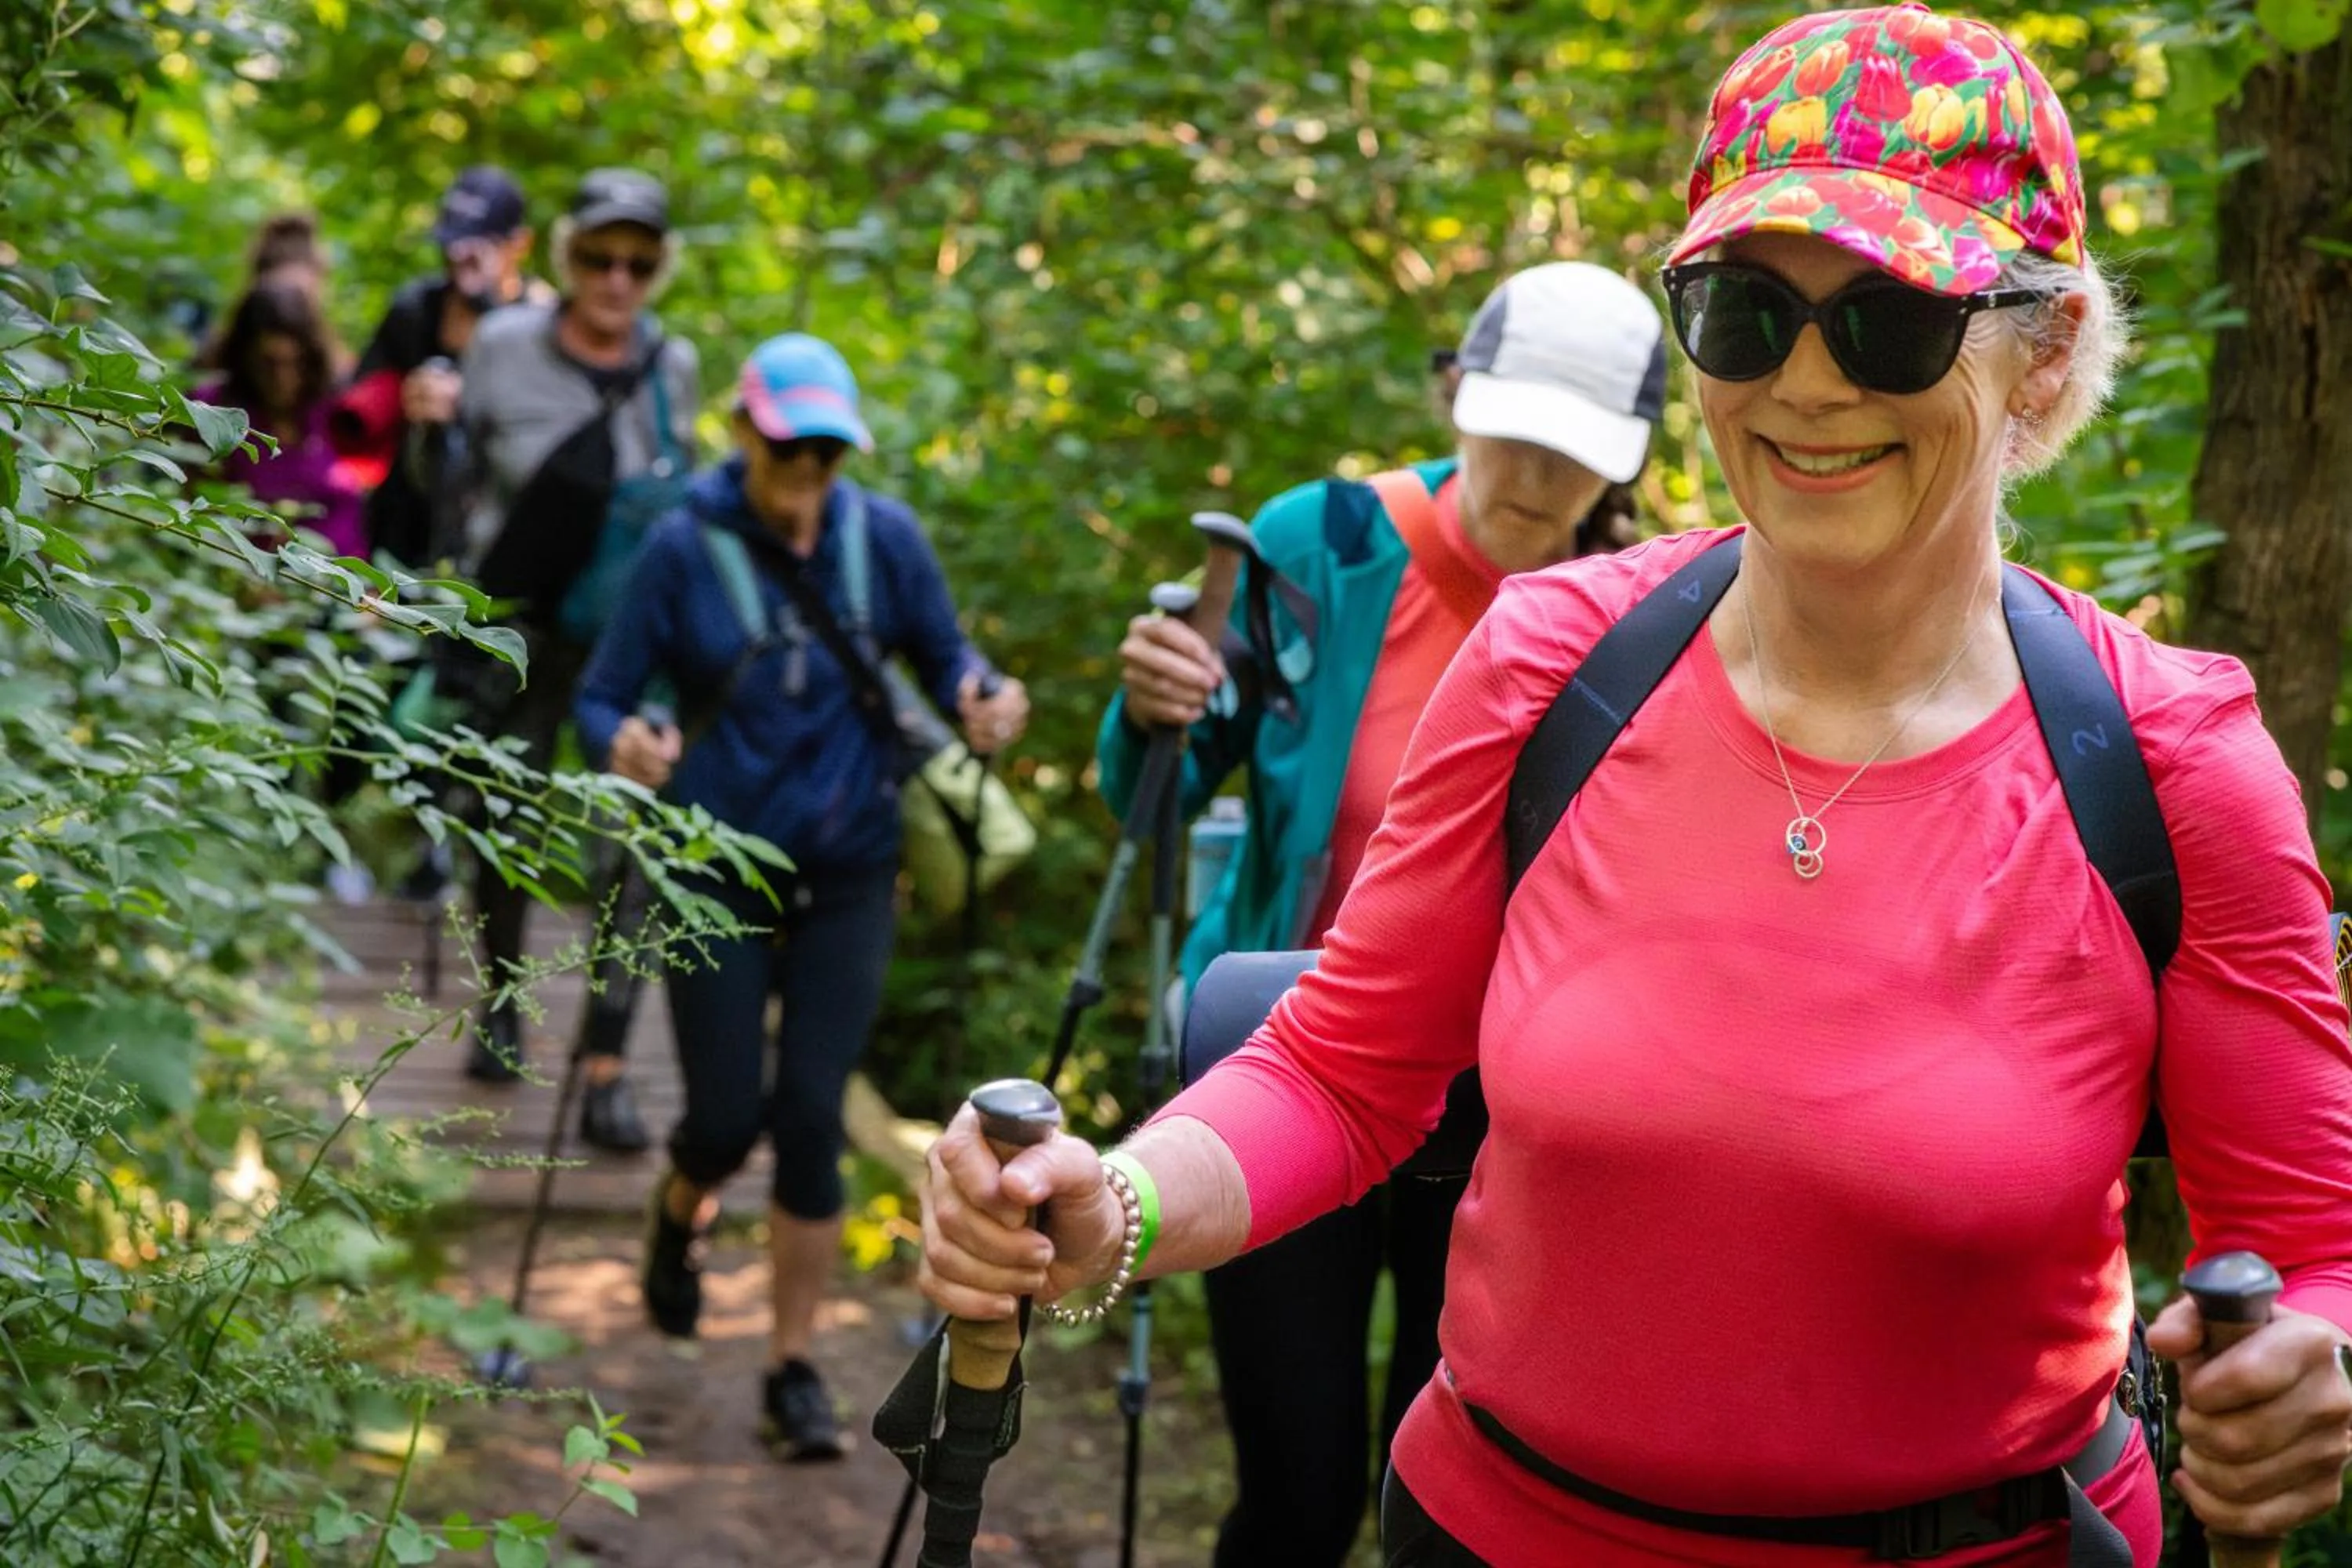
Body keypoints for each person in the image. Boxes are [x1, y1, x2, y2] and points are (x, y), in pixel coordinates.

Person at [919, 6, 2352, 1564]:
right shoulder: (1554, 667)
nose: (1805, 385)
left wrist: (2309, 1369)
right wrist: (1106, 1204)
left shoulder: (2172, 766)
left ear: (2046, 348)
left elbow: (2312, 1246)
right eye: (1745, 313)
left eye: (1889, 318)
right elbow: (1342, 1069)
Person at [1098, 260, 1667, 1566]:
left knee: (1453, 1487)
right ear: (1456, 393)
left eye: (1568, 455)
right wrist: (1148, 711)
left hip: (1515, 1100)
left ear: (1625, 461)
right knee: (1295, 1493)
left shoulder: (1652, 609)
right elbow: (1161, 795)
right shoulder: (1319, 547)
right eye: (1509, 432)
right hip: (1291, 1054)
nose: (1530, 477)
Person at [576, 332, 1031, 1461]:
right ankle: (680, 1208)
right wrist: (624, 741)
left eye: (828, 454)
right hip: (712, 872)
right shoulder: (683, 547)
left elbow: (952, 660)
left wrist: (988, 700)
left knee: (813, 1118)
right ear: (743, 434)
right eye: (789, 452)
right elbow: (601, 696)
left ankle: (793, 1369)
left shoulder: (885, 539)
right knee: (727, 1118)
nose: (808, 475)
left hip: (849, 872)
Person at [446, 168, 697, 1154]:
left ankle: (604, 1063)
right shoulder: (503, 349)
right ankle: (501, 1008)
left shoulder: (674, 365)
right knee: (499, 816)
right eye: (600, 257)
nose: (618, 279)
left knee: (632, 840)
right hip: (518, 626)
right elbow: (454, 482)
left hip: (630, 638)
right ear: (567, 256)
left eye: (638, 261)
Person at [340, 166, 546, 570]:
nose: (458, 261)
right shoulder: (415, 310)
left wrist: (469, 403)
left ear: (518, 246)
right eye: (451, 245)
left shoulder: (540, 326)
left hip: (487, 543)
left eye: (476, 250)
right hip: (397, 528)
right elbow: (357, 423)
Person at [191, 278, 368, 560]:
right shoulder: (213, 413)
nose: (283, 379)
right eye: (269, 364)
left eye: (294, 363)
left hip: (340, 582)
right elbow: (194, 512)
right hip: (242, 579)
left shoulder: (336, 408)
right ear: (244, 356)